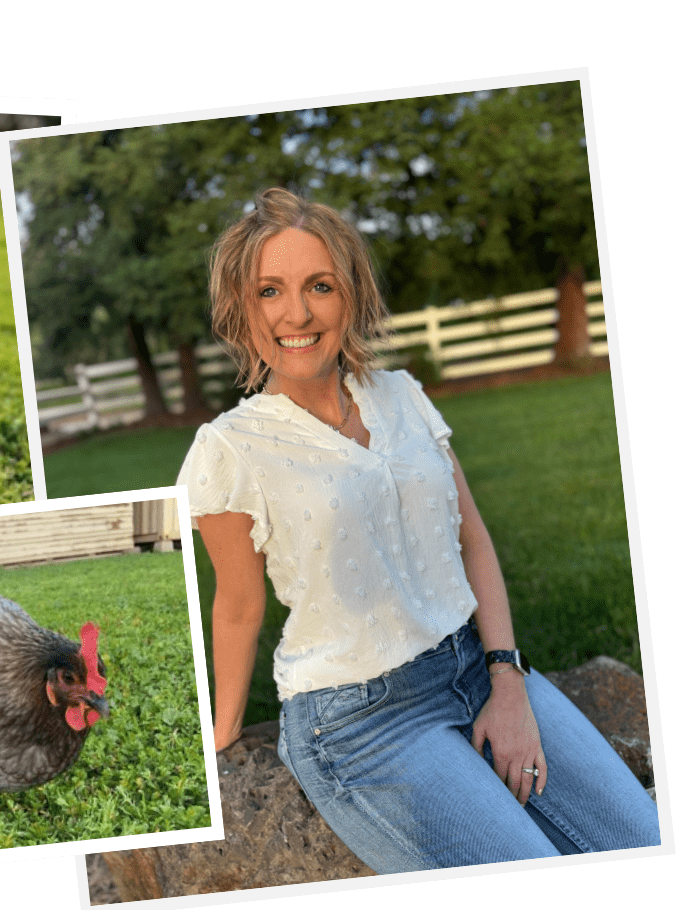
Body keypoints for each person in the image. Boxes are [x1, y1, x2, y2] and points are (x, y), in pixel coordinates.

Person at [177, 187, 660, 873]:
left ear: (352, 294)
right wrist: (223, 732)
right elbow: (238, 604)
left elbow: (473, 541)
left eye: (320, 285)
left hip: (475, 664)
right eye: (269, 292)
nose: (297, 313)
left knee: (646, 842)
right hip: (360, 722)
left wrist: (508, 679)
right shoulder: (229, 450)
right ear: (241, 309)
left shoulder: (403, 396)